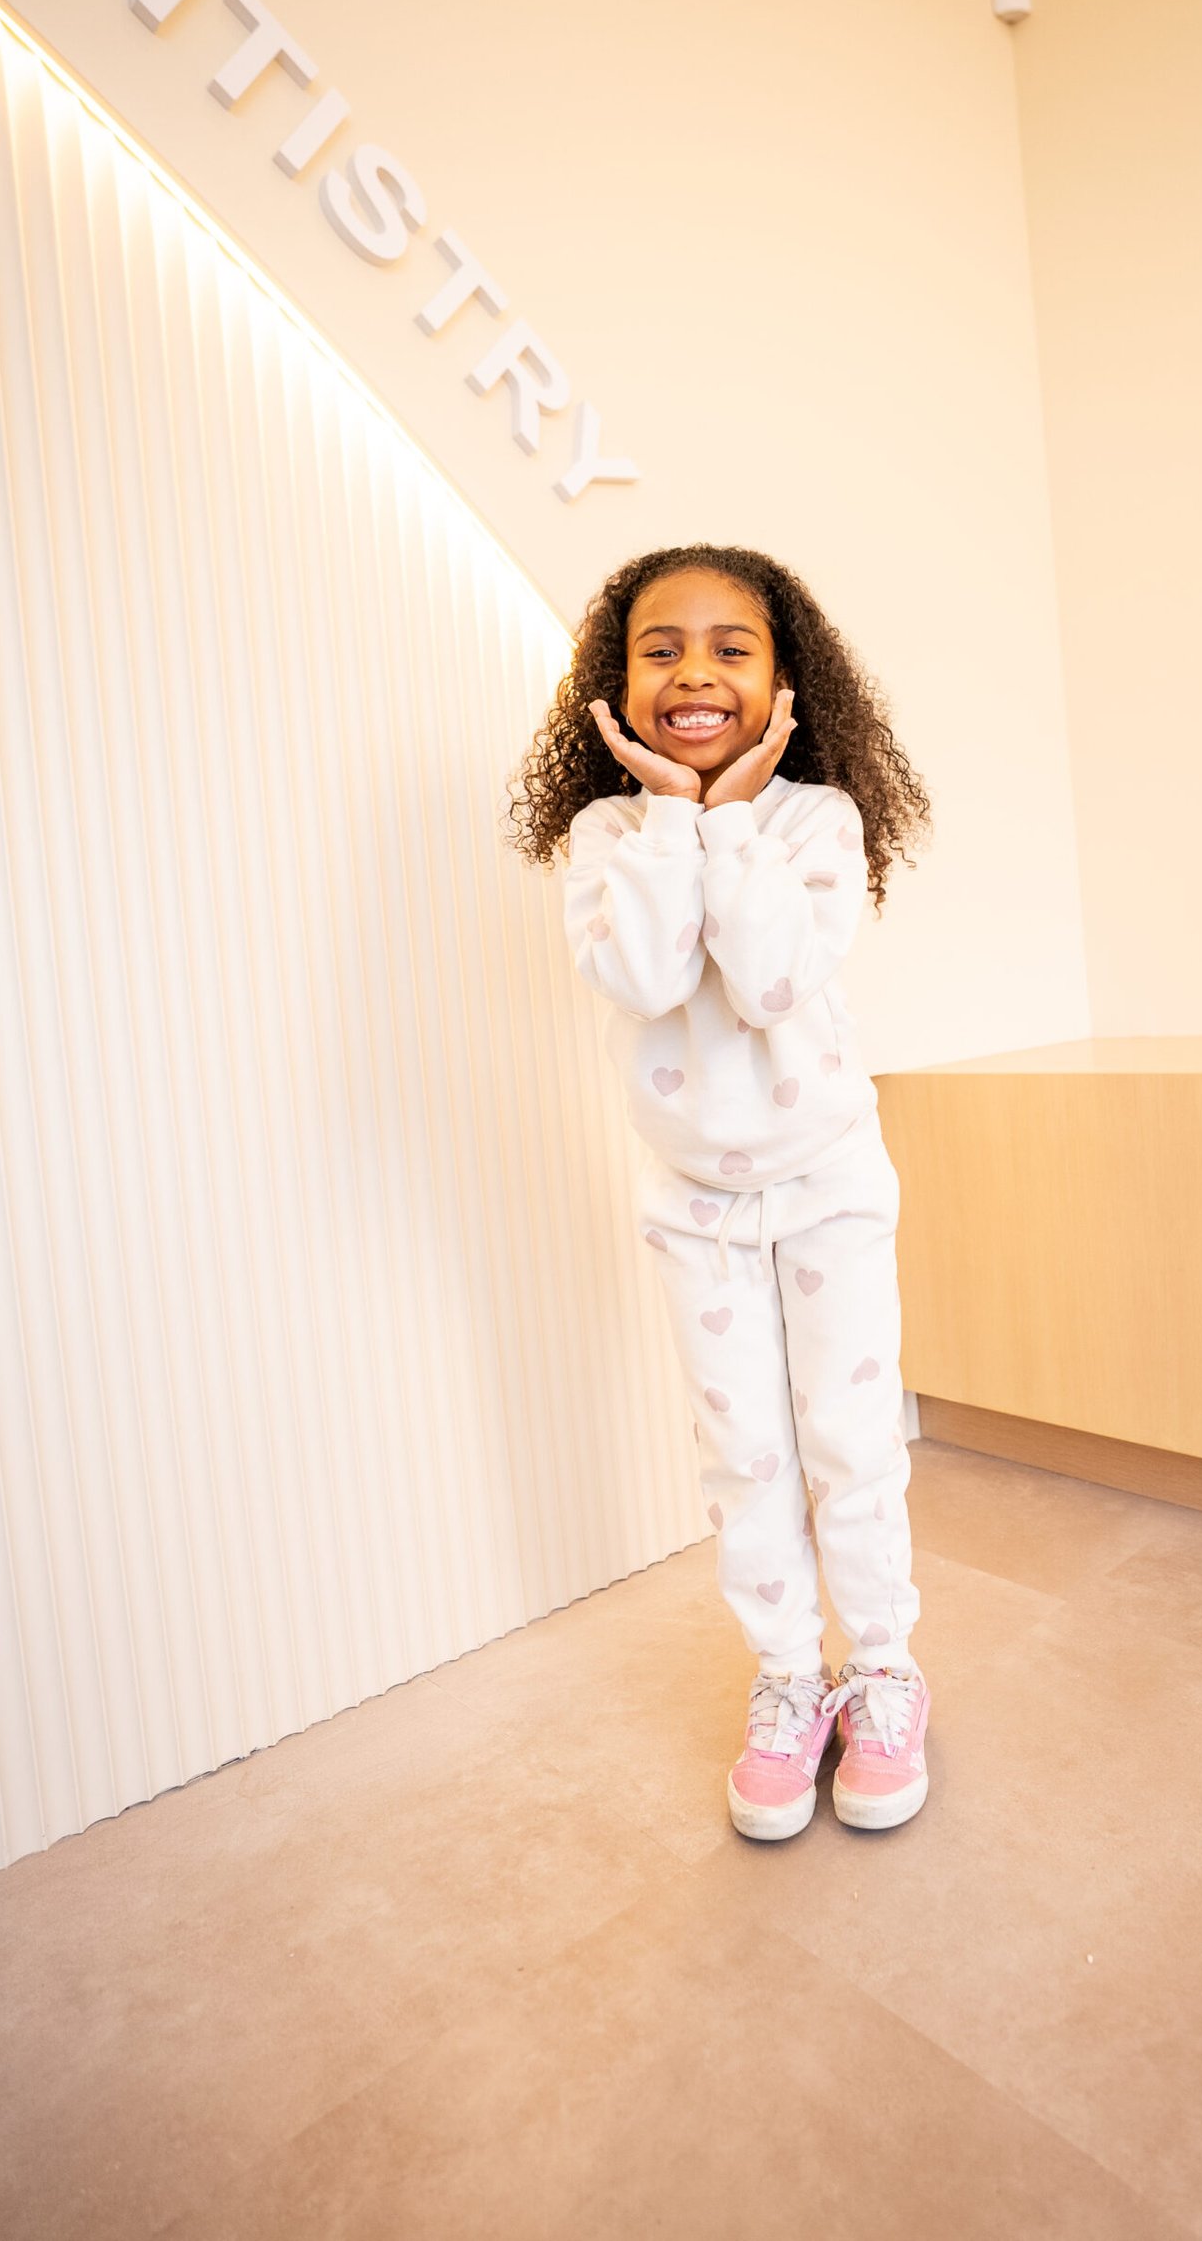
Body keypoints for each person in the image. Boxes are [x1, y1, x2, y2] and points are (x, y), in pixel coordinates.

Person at [507, 543, 933, 1841]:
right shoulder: (606, 836)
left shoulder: (815, 823)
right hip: (691, 1198)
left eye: (730, 648)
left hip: (829, 1186)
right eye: (660, 648)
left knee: (851, 1449)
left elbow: (768, 982)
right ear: (616, 681)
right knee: (743, 1456)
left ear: (786, 680)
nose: (694, 671)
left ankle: (882, 1673)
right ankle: (789, 1680)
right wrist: (674, 817)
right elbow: (640, 979)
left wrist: (733, 816)